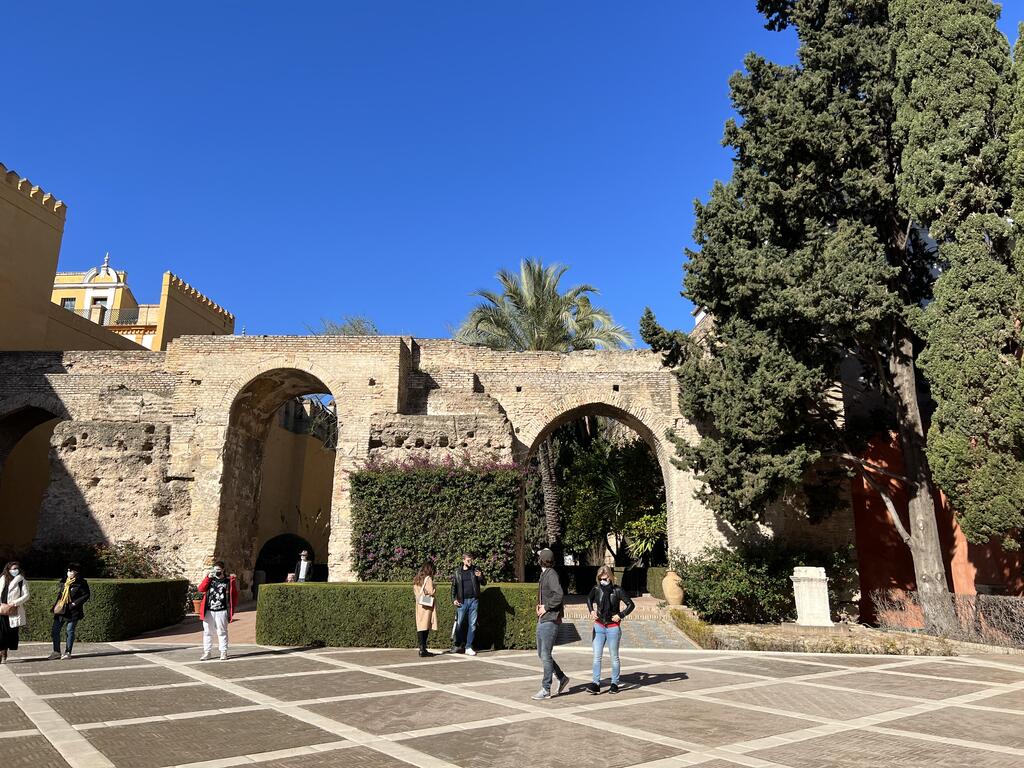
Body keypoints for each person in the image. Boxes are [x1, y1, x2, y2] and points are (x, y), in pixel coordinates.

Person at [585, 565, 635, 694]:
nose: (603, 581)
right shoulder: (596, 589)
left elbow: (631, 604)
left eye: (605, 579)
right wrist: (591, 611)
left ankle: (614, 683)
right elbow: (589, 599)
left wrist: (621, 615)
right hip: (599, 626)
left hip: (613, 627)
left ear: (611, 577)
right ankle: (595, 683)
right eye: (600, 579)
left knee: (614, 657)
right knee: (597, 656)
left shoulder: (617, 590)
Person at [532, 548, 569, 700]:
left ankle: (546, 688)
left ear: (542, 560)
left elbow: (559, 594)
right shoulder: (545, 573)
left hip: (550, 620)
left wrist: (546, 607)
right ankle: (561, 677)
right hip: (544, 618)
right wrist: (540, 606)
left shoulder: (551, 574)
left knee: (545, 654)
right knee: (542, 654)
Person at [198, 560, 239, 661]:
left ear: (223, 570)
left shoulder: (228, 581)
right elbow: (201, 589)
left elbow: (234, 595)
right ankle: (207, 652)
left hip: (222, 610)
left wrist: (232, 609)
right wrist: (208, 578)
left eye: (219, 570)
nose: (217, 572)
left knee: (222, 632)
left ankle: (223, 652)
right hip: (209, 610)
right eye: (215, 570)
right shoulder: (210, 580)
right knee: (207, 632)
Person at [49, 563, 90, 660]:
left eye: (71, 571)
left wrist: (74, 603)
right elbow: (60, 594)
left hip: (73, 611)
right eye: (68, 570)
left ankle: (68, 652)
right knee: (55, 631)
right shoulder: (64, 581)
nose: (69, 572)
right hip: (61, 610)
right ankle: (56, 652)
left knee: (69, 631)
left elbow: (86, 595)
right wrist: (56, 605)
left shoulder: (81, 582)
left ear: (76, 572)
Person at [450, 553, 485, 655]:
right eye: (468, 560)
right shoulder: (457, 572)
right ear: (463, 560)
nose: (470, 562)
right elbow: (453, 587)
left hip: (474, 601)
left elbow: (484, 583)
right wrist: (453, 599)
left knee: (472, 624)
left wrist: (480, 576)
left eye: (471, 560)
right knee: (459, 624)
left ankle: (468, 646)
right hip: (462, 602)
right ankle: (458, 645)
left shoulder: (475, 569)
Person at [0, 561, 29, 664]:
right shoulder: (2, 579)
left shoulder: (21, 580)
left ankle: (4, 652)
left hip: (12, 610)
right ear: (8, 570)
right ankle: (1, 652)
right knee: (1, 632)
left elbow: (26, 595)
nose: (15, 570)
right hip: (1, 609)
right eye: (13, 569)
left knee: (9, 633)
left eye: (16, 568)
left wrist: (15, 602)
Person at [413, 562, 438, 657]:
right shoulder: (428, 579)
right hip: (427, 605)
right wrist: (434, 588)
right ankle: (423, 649)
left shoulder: (417, 579)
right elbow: (431, 592)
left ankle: (421, 648)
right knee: (426, 626)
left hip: (419, 604)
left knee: (420, 626)